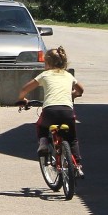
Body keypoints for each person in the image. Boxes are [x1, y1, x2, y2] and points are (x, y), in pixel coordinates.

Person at [17, 46, 85, 177]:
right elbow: (80, 90)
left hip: (50, 111)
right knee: (72, 139)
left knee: (41, 125)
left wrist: (22, 99)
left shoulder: (44, 74)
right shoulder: (68, 75)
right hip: (67, 112)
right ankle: (78, 166)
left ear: (47, 63)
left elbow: (25, 89)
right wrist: (73, 94)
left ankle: (43, 143)